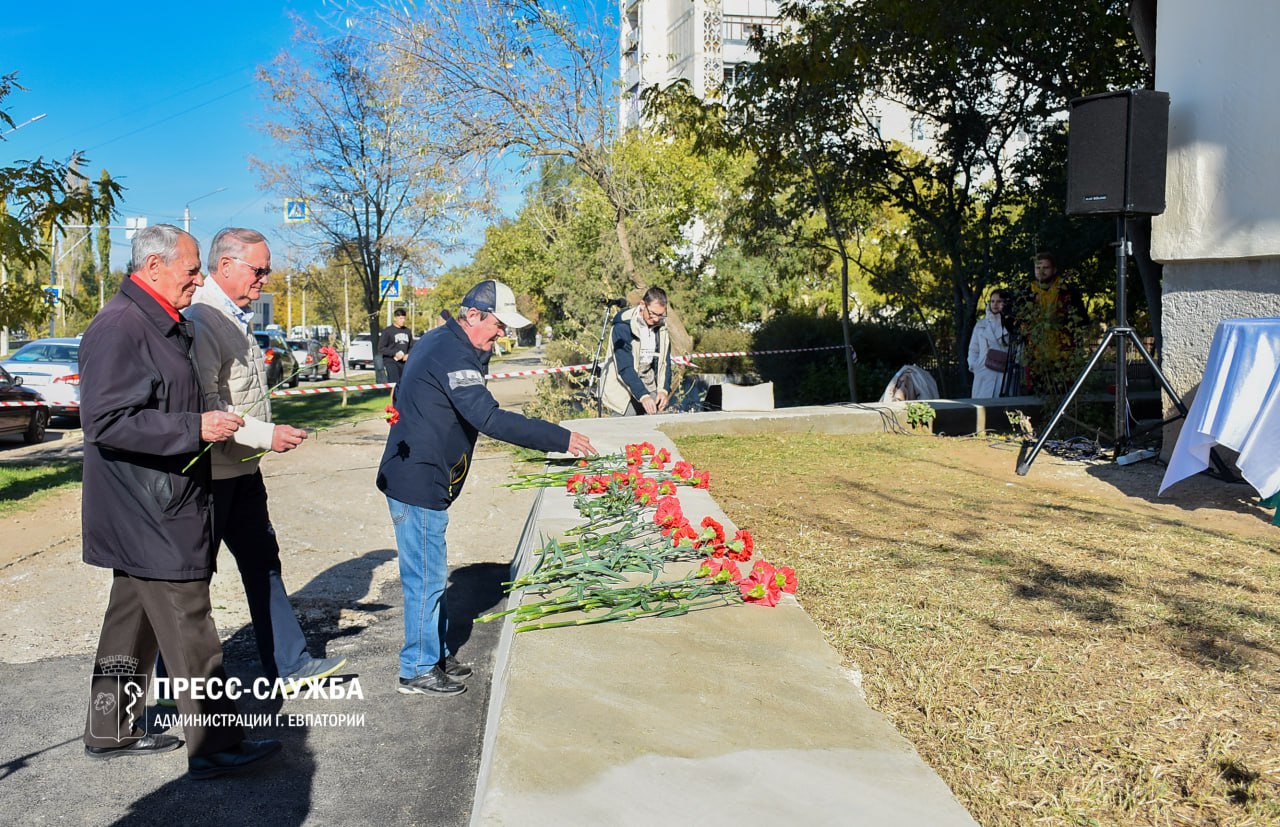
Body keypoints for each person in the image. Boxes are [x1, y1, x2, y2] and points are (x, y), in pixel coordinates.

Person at [79, 224, 279, 779]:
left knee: (131, 621)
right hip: (148, 506)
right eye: (191, 269)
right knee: (191, 624)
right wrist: (195, 427)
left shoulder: (159, 320)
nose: (198, 278)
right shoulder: (120, 326)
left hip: (155, 499)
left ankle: (109, 729)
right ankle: (216, 746)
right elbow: (106, 421)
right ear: (153, 269)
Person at [376, 279, 595, 695]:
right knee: (426, 577)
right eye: (497, 325)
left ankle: (435, 653)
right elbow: (488, 418)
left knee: (432, 573)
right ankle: (418, 668)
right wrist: (559, 437)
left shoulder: (447, 343)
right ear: (473, 315)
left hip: (421, 475)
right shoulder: (452, 353)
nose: (502, 334)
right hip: (418, 481)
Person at [182, 226, 348, 688]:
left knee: (263, 562)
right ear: (227, 265)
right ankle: (170, 681)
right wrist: (266, 434)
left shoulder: (234, 314)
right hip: (212, 474)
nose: (265, 279)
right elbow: (207, 402)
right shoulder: (203, 316)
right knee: (191, 584)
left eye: (268, 269)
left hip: (241, 469)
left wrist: (261, 437)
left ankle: (290, 664)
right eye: (259, 269)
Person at [598, 287, 673, 416]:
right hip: (623, 388)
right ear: (643, 305)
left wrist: (664, 390)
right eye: (653, 313)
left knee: (659, 425)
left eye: (661, 315)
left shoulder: (662, 329)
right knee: (627, 428)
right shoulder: (622, 326)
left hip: (649, 384)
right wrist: (643, 395)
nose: (656, 319)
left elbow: (665, 363)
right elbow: (625, 368)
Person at [1023, 251, 1090, 391]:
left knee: (1065, 391)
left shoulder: (1068, 291)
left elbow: (1082, 319)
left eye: (1045, 268)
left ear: (1054, 269)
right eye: (1037, 268)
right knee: (1037, 392)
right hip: (1036, 354)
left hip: (1063, 352)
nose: (1041, 272)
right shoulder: (1025, 293)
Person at [967, 289, 1013, 398]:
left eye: (999, 301)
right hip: (983, 373)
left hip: (1003, 374)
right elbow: (973, 349)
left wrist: (1014, 370)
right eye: (992, 301)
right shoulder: (980, 325)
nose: (995, 304)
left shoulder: (1012, 325)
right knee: (981, 410)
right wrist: (974, 365)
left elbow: (1019, 349)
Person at [378, 307, 414, 383]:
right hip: (391, 361)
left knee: (404, 383)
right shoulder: (388, 331)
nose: (403, 321)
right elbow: (381, 348)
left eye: (404, 318)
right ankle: (393, 395)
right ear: (395, 318)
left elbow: (411, 346)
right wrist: (395, 353)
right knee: (394, 383)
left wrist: (408, 354)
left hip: (404, 362)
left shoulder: (407, 331)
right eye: (400, 318)